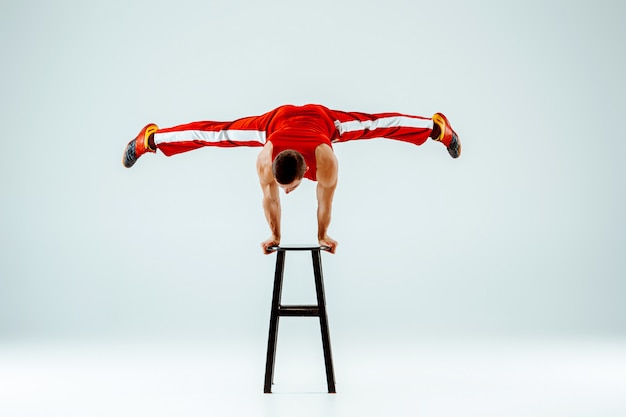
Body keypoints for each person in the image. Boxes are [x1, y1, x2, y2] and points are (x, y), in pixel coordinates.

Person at [122, 104, 461, 254]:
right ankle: (149, 139)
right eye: (281, 186)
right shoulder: (265, 160)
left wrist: (323, 235)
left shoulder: (325, 162)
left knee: (375, 125)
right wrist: (274, 234)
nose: (284, 192)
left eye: (289, 188)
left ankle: (437, 129)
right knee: (217, 134)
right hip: (277, 121)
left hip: (321, 120)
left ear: (306, 173)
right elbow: (269, 199)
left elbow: (324, 200)